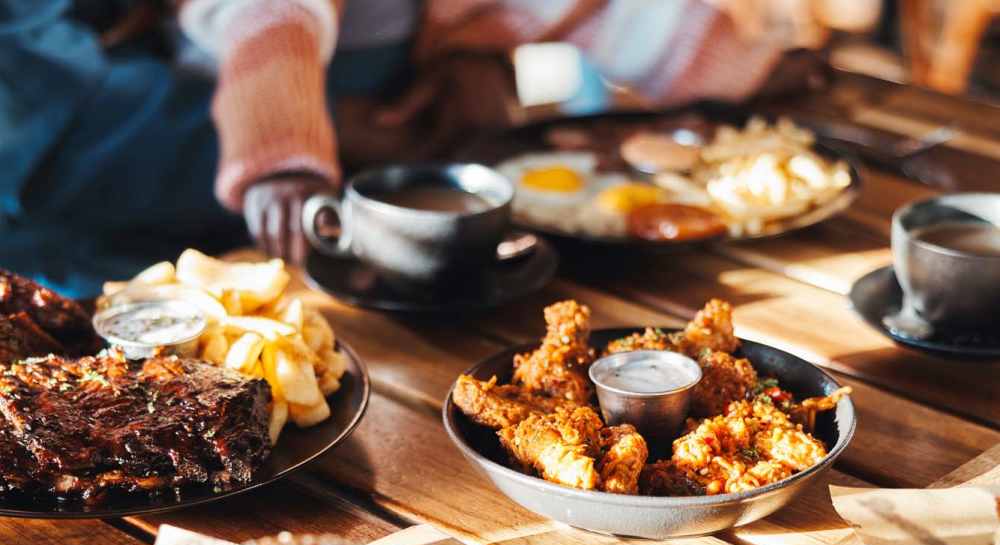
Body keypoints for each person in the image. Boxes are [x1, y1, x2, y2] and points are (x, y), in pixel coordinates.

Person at [1, 0, 823, 297]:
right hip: (100, 174)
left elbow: (623, 19)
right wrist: (289, 150)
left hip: (269, 223)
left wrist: (751, 71)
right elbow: (270, 22)